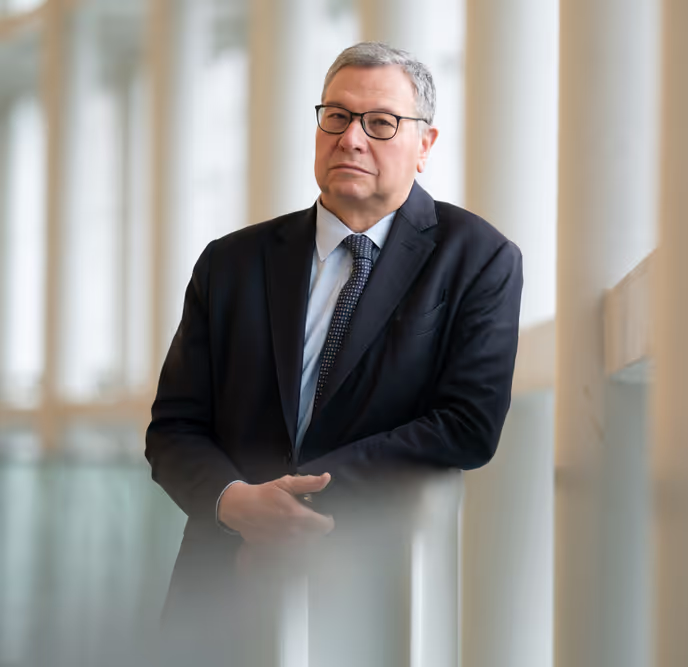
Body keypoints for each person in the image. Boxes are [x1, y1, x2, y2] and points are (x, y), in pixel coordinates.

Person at [145, 41, 523, 645]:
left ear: (425, 146)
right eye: (337, 117)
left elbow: (467, 424)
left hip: (374, 579)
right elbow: (173, 429)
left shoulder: (477, 258)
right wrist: (238, 504)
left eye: (380, 123)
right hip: (222, 578)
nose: (351, 139)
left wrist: (297, 500)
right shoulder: (230, 263)